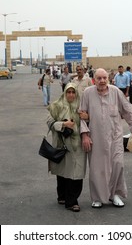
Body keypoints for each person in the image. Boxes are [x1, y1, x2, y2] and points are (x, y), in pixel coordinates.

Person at [80, 68, 132, 208]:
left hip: (115, 136)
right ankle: (97, 198)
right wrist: (84, 135)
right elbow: (81, 115)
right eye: (99, 78)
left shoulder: (115, 92)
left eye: (104, 78)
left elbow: (127, 109)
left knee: (117, 164)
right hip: (96, 137)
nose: (102, 81)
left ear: (108, 79)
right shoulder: (88, 93)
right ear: (94, 80)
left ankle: (115, 194)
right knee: (97, 168)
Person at [46, 83, 87, 212]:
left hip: (78, 145)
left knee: (77, 173)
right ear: (64, 93)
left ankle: (72, 201)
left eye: (73, 92)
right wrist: (63, 124)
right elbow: (49, 121)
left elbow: (90, 121)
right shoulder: (57, 105)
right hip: (61, 144)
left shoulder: (82, 106)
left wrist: (87, 117)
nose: (70, 95)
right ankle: (62, 196)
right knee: (63, 172)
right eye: (68, 92)